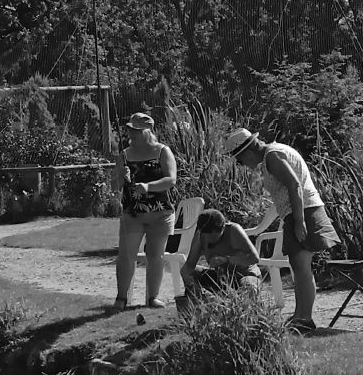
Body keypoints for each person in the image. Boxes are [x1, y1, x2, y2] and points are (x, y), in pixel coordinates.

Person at [224, 128, 341, 334]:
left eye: (240, 161)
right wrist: (262, 227)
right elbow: (280, 197)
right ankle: (300, 316)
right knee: (299, 267)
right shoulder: (274, 153)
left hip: (304, 212)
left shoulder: (272, 157)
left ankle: (304, 318)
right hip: (299, 212)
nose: (243, 166)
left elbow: (295, 185)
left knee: (301, 267)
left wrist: (299, 221)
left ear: (248, 153)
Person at [112, 112, 177, 310]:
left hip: (161, 213)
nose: (131, 133)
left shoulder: (162, 151)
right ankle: (121, 298)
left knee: (155, 256)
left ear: (147, 131)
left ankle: (153, 298)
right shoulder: (124, 155)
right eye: (130, 129)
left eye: (136, 130)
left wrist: (148, 187)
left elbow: (171, 180)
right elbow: (114, 186)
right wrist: (120, 177)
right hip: (133, 214)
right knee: (126, 255)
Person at [180, 208, 262, 295]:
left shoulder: (233, 230)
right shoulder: (200, 236)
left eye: (213, 238)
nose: (210, 241)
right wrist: (187, 278)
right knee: (191, 273)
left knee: (249, 289)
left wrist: (227, 260)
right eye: (207, 237)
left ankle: (242, 305)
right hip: (221, 277)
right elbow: (189, 265)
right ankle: (201, 302)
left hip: (245, 275)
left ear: (223, 227)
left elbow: (254, 258)